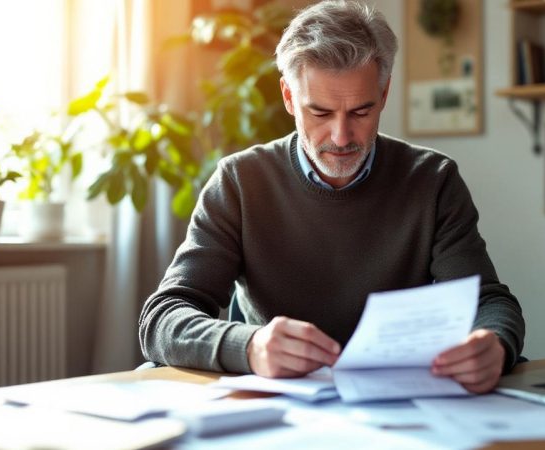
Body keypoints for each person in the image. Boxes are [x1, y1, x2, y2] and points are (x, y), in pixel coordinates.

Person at [139, 0, 524, 394]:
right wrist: (250, 346)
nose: (341, 137)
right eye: (320, 113)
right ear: (289, 97)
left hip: (398, 403)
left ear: (384, 93)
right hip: (276, 408)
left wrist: (493, 344)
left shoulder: (433, 180)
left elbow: (488, 301)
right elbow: (163, 318)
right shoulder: (239, 182)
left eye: (361, 112)